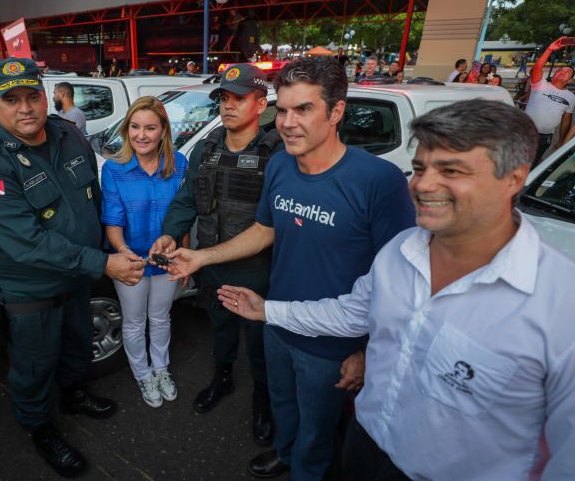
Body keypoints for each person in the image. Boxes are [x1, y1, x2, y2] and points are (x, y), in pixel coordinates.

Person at [219, 99, 575, 480]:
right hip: (365, 446)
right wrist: (267, 311)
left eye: (451, 170)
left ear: (515, 178)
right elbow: (352, 312)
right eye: (420, 168)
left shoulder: (560, 305)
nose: (423, 185)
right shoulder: (401, 252)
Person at [162, 57, 415, 479]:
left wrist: (370, 351)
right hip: (276, 319)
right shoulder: (280, 165)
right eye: (283, 110)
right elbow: (263, 231)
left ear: (336, 112)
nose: (288, 122)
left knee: (320, 432)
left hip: (333, 342)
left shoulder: (379, 181)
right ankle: (285, 452)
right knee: (285, 408)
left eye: (304, 109)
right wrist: (201, 256)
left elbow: (403, 282)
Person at [0, 58, 143, 478]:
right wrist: (103, 263)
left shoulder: (68, 133)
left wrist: (107, 248)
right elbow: (29, 244)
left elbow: (90, 198)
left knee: (77, 343)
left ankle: (73, 392)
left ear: (46, 95)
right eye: (11, 99)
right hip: (31, 290)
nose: (25, 108)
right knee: (34, 366)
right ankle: (40, 428)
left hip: (76, 275)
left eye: (32, 96)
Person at [150, 63, 281, 447]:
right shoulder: (207, 149)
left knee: (259, 339)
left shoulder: (277, 155)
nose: (228, 106)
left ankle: (263, 395)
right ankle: (222, 377)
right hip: (211, 265)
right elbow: (186, 201)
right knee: (220, 327)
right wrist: (170, 236)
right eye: (224, 98)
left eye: (238, 98)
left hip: (259, 270)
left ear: (260, 104)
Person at [101, 96, 189, 408]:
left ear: (163, 130)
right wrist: (124, 254)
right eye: (135, 127)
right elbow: (112, 221)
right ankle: (143, 373)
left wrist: (187, 259)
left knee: (161, 317)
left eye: (150, 127)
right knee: (135, 321)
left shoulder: (180, 164)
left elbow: (184, 213)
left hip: (168, 262)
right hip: (131, 263)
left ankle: (161, 369)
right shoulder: (114, 169)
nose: (142, 135)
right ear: (127, 130)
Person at [524, 37, 575, 164]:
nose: (563, 72)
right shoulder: (541, 84)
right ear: (554, 74)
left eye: (567, 72)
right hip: (524, 132)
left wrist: (562, 139)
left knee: (533, 164)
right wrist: (550, 49)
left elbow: (566, 120)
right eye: (560, 70)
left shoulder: (571, 97)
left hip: (545, 137)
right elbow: (537, 68)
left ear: (570, 80)